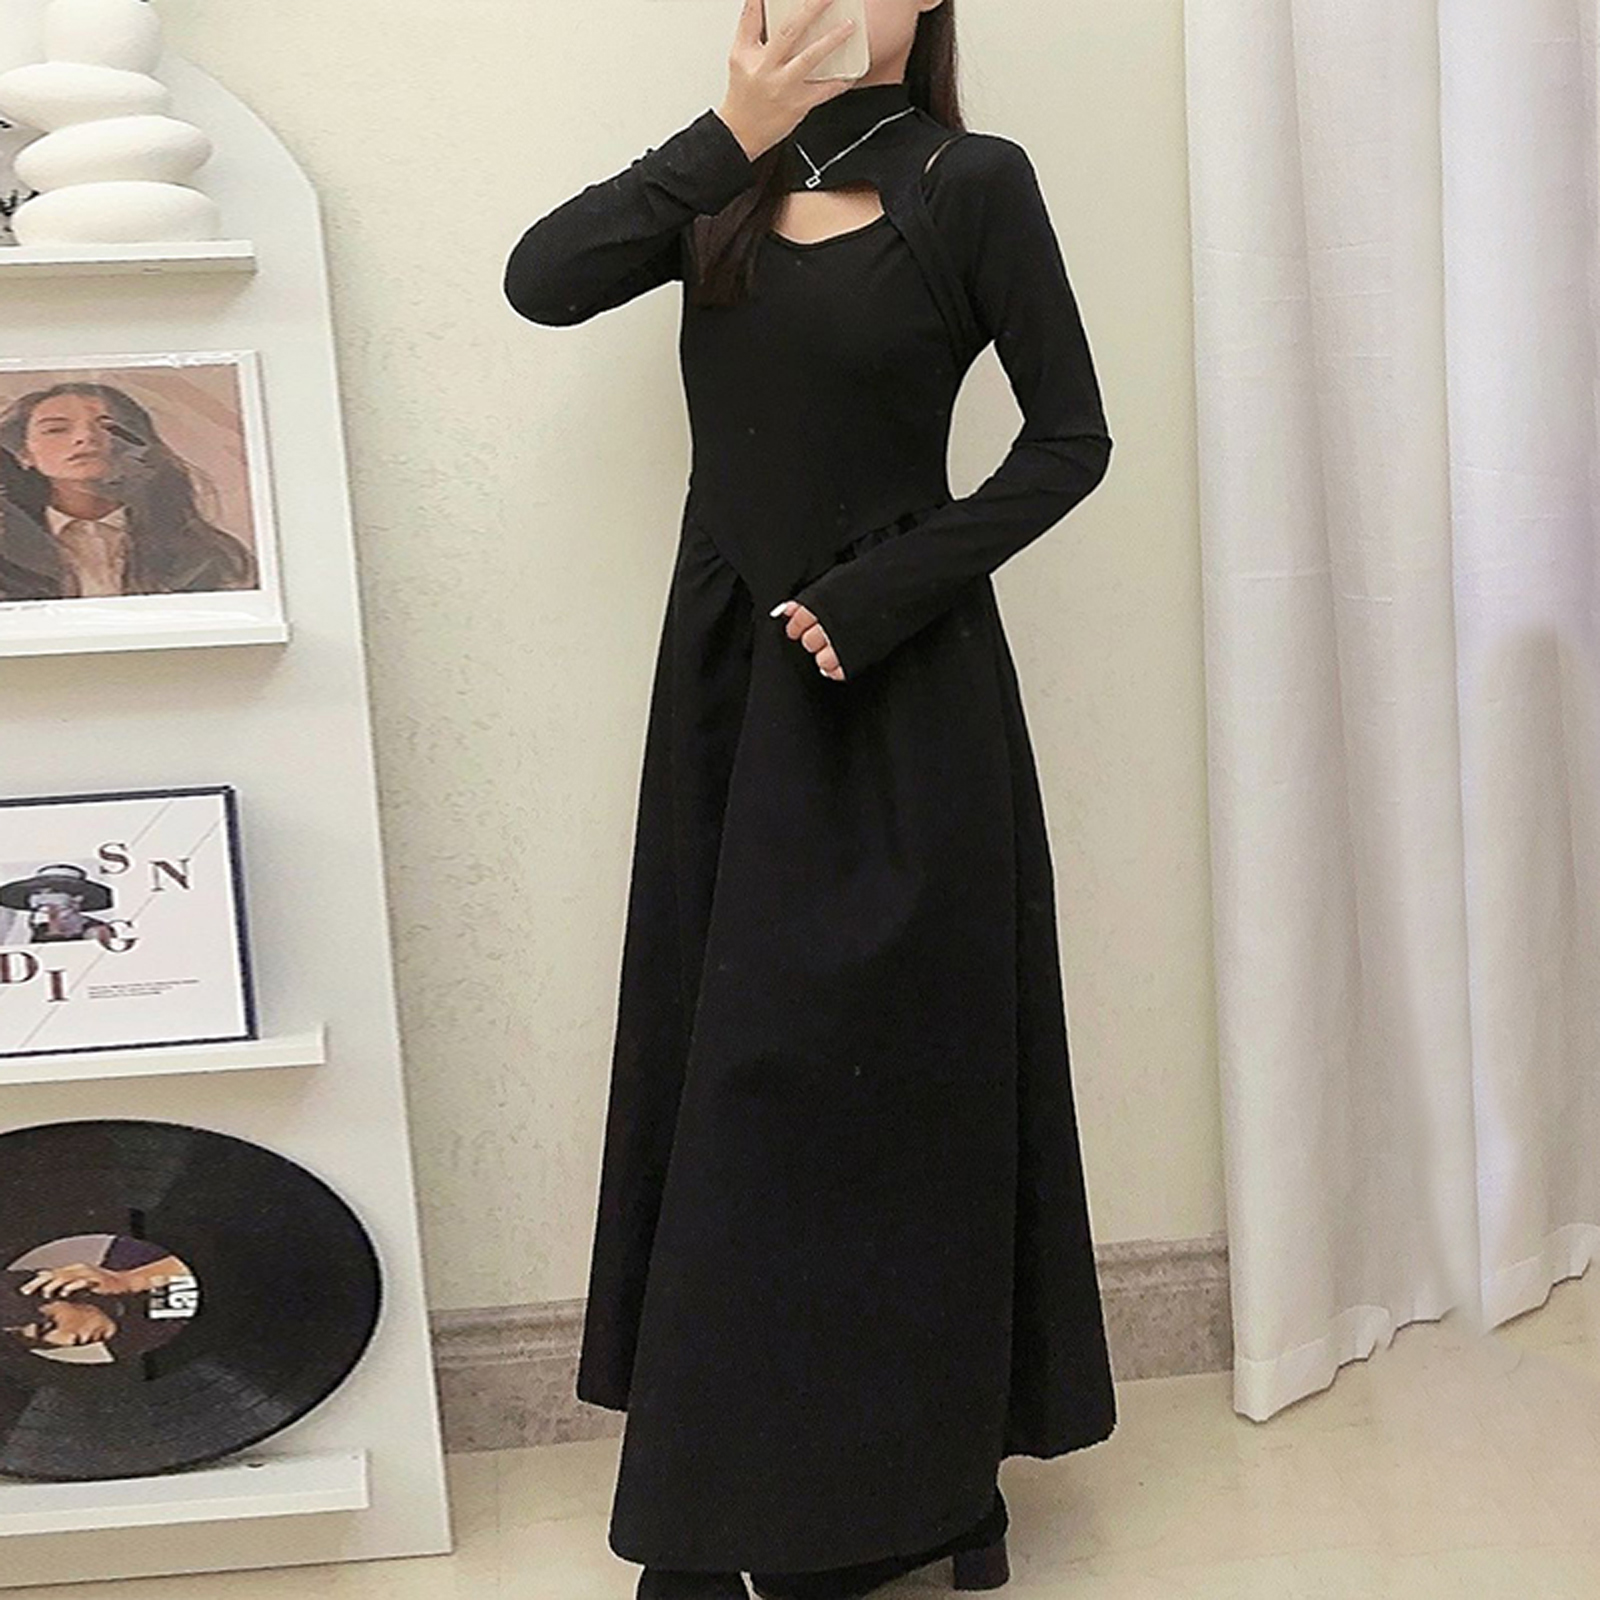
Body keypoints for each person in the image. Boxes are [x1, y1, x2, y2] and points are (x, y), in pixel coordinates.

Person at [503, 3, 1117, 1597]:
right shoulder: (719, 182)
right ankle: (731, 1498)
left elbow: (1070, 441)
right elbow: (541, 280)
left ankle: (913, 1493)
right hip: (726, 692)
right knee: (735, 1082)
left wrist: (884, 591)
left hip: (895, 688)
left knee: (896, 1086)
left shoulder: (972, 181)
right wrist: (728, 137)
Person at [0, 380, 257, 602]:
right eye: (56, 429)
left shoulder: (207, 553)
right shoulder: (7, 551)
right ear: (23, 452)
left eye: (109, 427)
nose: (85, 437)